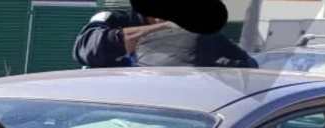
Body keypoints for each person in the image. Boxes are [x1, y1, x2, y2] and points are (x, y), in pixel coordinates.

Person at [73, 1, 255, 69]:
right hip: (105, 115)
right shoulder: (115, 19)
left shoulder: (197, 34)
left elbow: (248, 66)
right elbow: (88, 50)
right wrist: (162, 29)